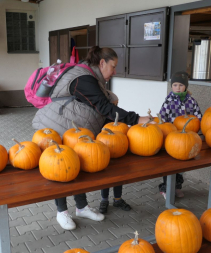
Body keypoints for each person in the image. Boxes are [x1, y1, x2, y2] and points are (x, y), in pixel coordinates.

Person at [32, 46, 152, 230]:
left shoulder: (89, 74)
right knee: (61, 168)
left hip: (74, 129)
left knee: (77, 167)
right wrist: (136, 119)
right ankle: (62, 212)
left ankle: (81, 207)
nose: (114, 71)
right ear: (102, 63)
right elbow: (103, 107)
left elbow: (96, 104)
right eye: (113, 66)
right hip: (58, 126)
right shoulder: (83, 78)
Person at [158, 71, 202, 199]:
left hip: (186, 139)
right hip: (172, 139)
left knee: (181, 167)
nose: (178, 88)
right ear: (172, 86)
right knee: (170, 166)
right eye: (175, 85)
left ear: (186, 86)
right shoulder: (168, 101)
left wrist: (200, 131)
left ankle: (177, 187)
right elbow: (162, 117)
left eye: (181, 85)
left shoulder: (192, 101)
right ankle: (166, 188)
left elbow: (199, 117)